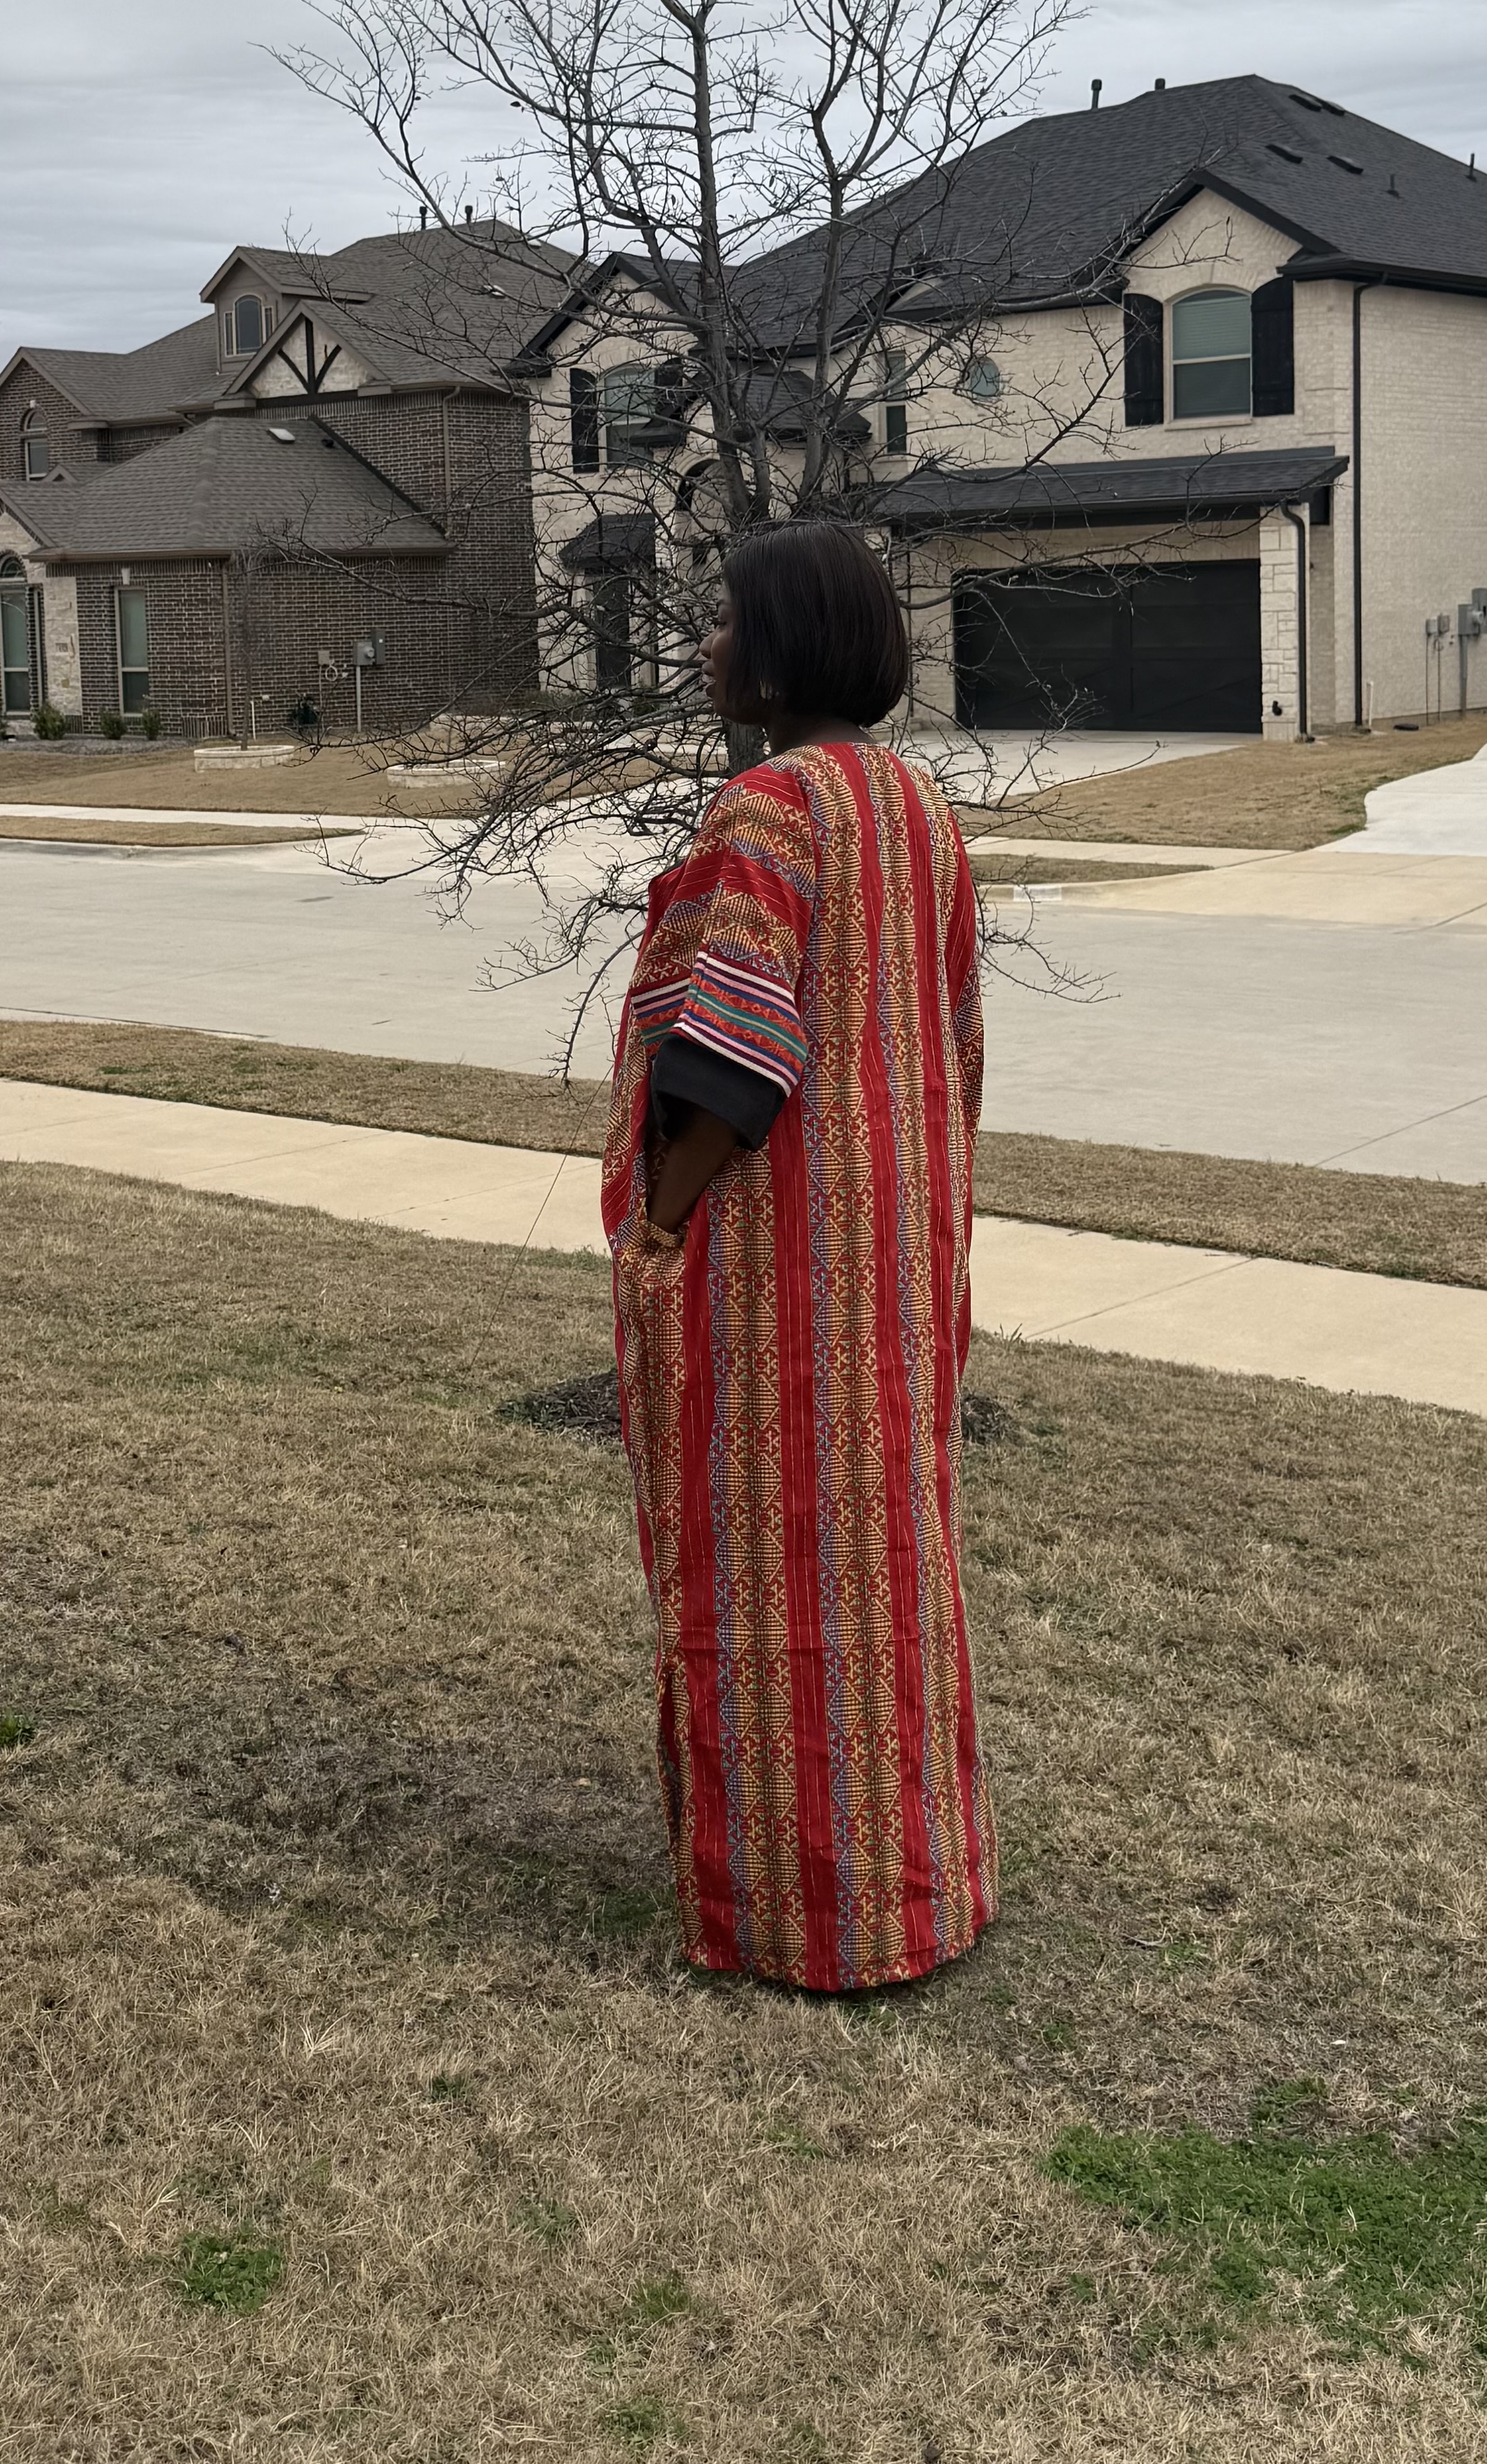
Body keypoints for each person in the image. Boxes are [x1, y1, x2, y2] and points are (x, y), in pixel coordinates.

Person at [601, 518, 996, 1992]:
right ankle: (924, 1884)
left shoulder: (770, 809)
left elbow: (735, 1059)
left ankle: (802, 1915)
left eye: (723, 624)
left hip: (775, 1281)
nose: (702, 645)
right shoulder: (917, 810)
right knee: (888, 1569)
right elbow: (953, 1052)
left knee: (766, 1579)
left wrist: (659, 1219)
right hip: (891, 1270)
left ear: (781, 653)